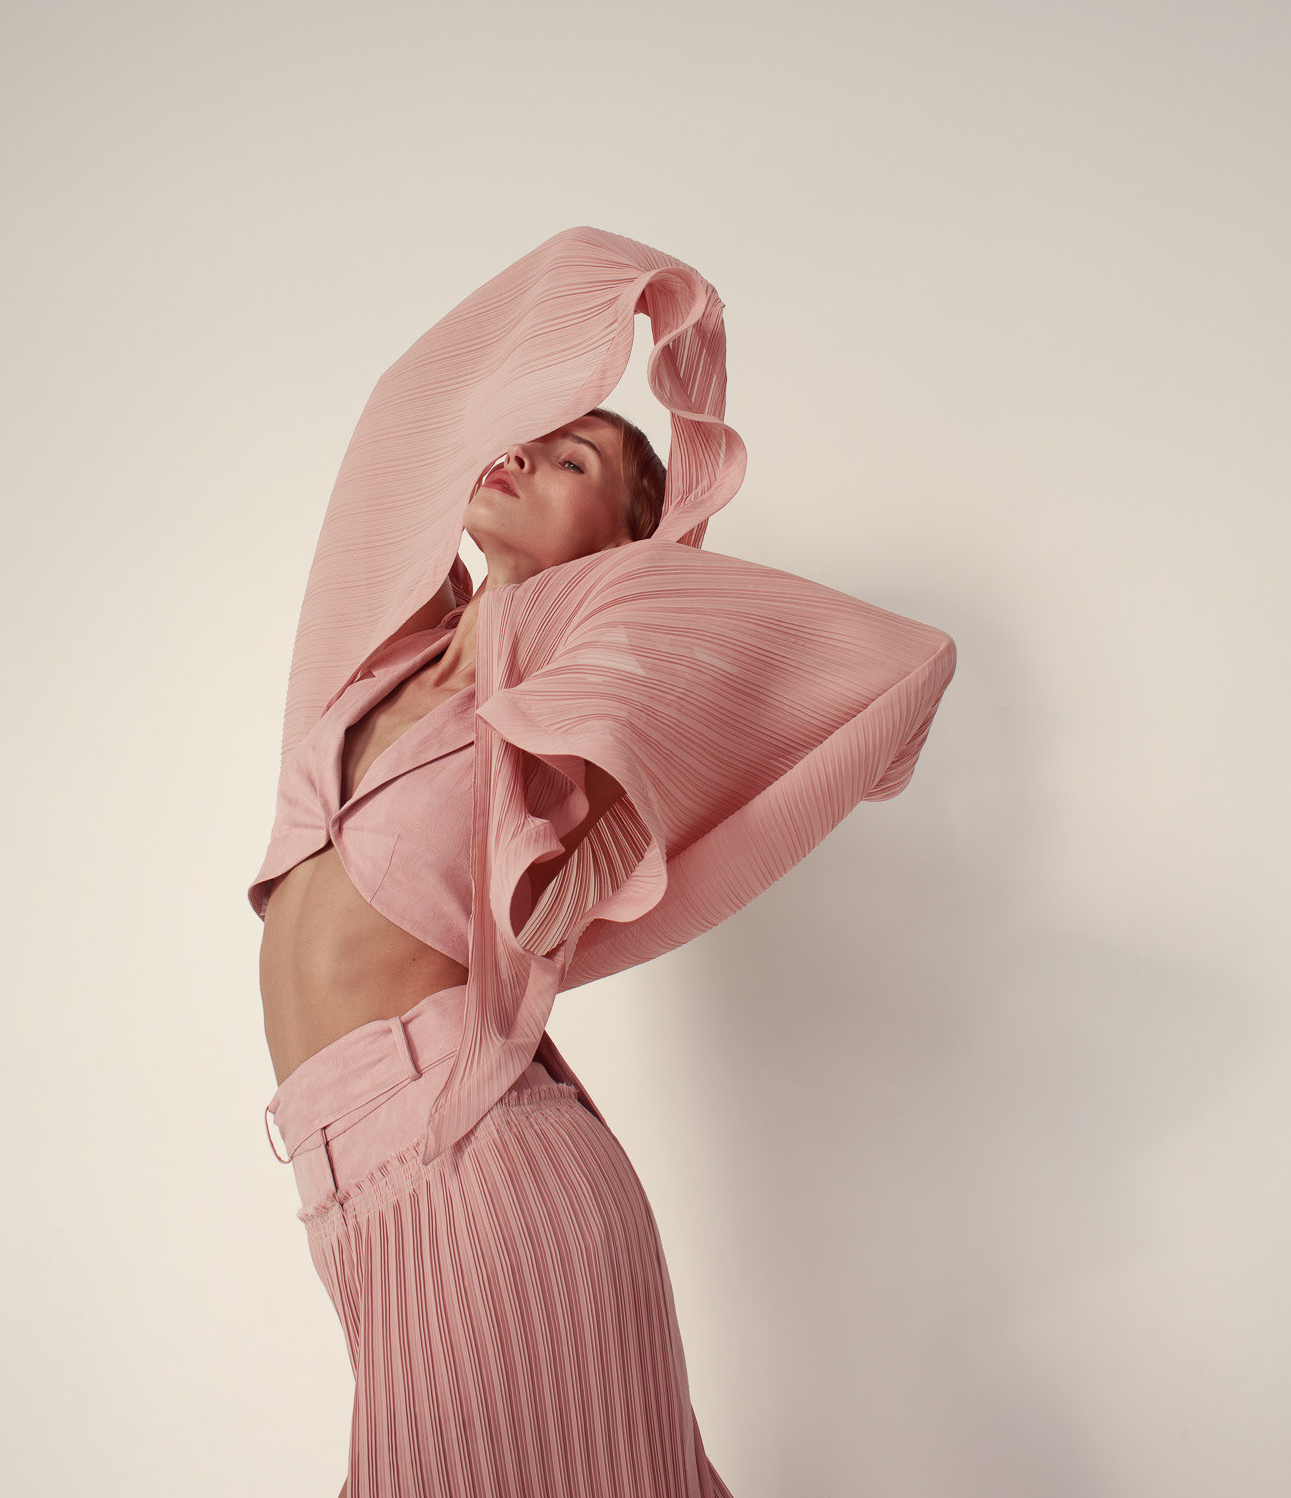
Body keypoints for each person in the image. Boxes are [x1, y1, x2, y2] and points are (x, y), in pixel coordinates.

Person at [249, 227, 956, 1497]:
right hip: (355, 1208)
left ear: (628, 545)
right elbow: (408, 418)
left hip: (482, 1173)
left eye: (574, 457)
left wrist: (638, 578)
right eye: (524, 437)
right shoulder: (381, 657)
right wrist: (625, 287)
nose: (521, 455)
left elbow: (902, 664)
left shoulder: (578, 693)